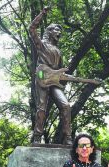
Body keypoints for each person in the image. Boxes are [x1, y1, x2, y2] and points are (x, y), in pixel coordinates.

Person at [29, 7, 72, 145]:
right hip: (42, 76)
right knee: (42, 107)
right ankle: (37, 137)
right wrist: (42, 13)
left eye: (60, 31)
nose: (59, 33)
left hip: (54, 81)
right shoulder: (42, 45)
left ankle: (68, 138)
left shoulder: (58, 51)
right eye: (56, 30)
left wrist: (65, 77)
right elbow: (32, 29)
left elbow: (60, 71)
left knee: (65, 106)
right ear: (49, 32)